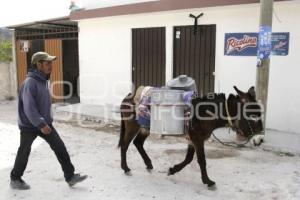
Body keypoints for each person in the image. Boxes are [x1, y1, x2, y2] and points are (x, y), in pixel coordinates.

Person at [10, 52, 87, 190]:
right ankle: (15, 179)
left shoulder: (43, 80)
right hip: (30, 126)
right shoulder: (30, 82)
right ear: (38, 64)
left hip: (45, 123)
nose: (51, 65)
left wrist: (46, 121)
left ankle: (70, 176)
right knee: (24, 151)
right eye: (47, 63)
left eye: (51, 62)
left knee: (60, 148)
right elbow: (29, 108)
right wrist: (41, 124)